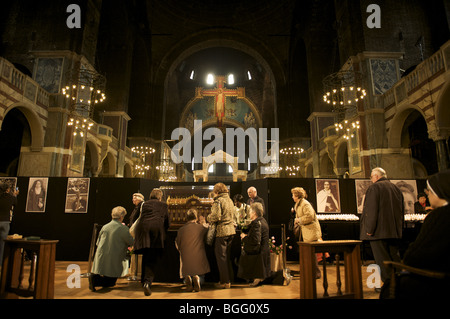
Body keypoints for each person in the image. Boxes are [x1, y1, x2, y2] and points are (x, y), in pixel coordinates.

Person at [382, 169, 450, 299]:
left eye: (429, 192)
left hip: (436, 280)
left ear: (439, 192)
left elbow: (416, 256)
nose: (428, 196)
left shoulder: (439, 216)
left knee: (392, 287)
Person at [360, 167, 404, 289]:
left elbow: (372, 210)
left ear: (376, 176)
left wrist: (369, 229)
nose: (371, 179)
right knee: (394, 257)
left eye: (371, 177)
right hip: (393, 230)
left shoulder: (374, 188)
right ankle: (399, 283)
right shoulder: (395, 188)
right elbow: (401, 211)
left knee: (382, 259)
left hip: (378, 231)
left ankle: (389, 286)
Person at [133, 188, 170, 296]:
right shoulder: (163, 205)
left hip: (143, 231)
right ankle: (147, 283)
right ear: (160, 197)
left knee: (146, 255)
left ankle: (143, 280)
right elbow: (167, 221)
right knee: (152, 258)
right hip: (155, 233)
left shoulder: (144, 204)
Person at [89, 206, 134, 292]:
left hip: (101, 258)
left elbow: (98, 243)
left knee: (108, 278)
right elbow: (131, 242)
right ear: (121, 217)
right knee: (111, 282)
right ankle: (95, 280)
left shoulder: (105, 227)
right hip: (113, 260)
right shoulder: (123, 229)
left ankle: (95, 277)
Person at [207, 182, 236, 289]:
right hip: (231, 231)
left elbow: (216, 216)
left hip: (222, 232)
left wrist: (208, 218)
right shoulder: (230, 200)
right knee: (226, 258)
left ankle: (225, 282)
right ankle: (229, 280)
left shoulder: (218, 201)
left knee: (221, 258)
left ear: (217, 192)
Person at [175, 209, 210, 292]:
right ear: (196, 217)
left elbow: (178, 244)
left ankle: (187, 279)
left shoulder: (181, 230)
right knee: (201, 276)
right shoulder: (201, 228)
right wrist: (203, 222)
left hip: (186, 261)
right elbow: (208, 227)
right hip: (199, 259)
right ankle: (198, 280)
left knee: (186, 273)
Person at [291, 187, 322, 279]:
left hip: (311, 231)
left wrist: (299, 220)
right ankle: (308, 270)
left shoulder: (305, 204)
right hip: (306, 231)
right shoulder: (299, 204)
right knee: (307, 252)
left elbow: (310, 216)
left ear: (297, 195)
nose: (292, 197)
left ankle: (316, 273)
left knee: (312, 253)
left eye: (293, 195)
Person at [237, 202, 271, 287]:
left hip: (258, 252)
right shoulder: (263, 221)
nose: (249, 213)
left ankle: (255, 278)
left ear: (254, 213)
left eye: (250, 211)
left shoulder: (256, 223)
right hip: (263, 251)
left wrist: (244, 237)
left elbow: (255, 240)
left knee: (241, 256)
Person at [0, 182, 18, 263]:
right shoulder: (11, 198)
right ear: (8, 189)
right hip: (5, 221)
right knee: (2, 244)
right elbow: (15, 203)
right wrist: (15, 195)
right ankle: (0, 263)